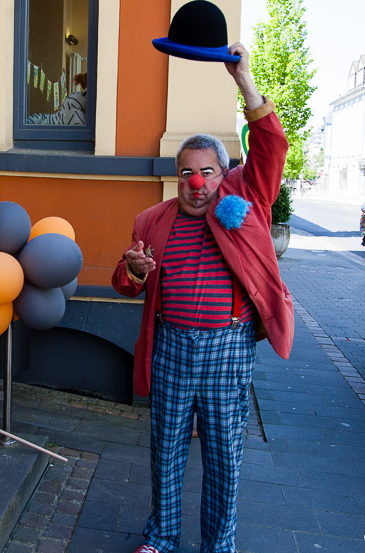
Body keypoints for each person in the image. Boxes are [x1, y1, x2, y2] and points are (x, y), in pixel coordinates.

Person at [112, 43, 295, 553]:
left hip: (227, 347)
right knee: (165, 447)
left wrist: (245, 80)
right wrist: (132, 270)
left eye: (207, 172)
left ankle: (219, 545)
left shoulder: (246, 197)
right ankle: (162, 537)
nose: (197, 184)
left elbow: (272, 146)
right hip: (170, 345)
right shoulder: (152, 220)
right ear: (177, 177)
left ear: (223, 172)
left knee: (222, 453)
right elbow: (124, 282)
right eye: (187, 173)